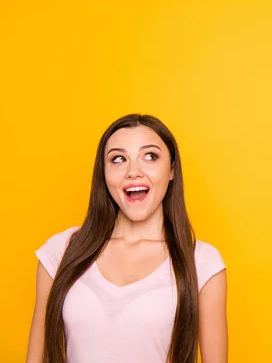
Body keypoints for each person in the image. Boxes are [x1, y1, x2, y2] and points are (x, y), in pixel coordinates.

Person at [26, 114, 227, 363]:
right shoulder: (61, 250)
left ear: (172, 169)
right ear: (104, 173)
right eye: (118, 159)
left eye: (150, 156)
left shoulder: (203, 262)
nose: (133, 172)